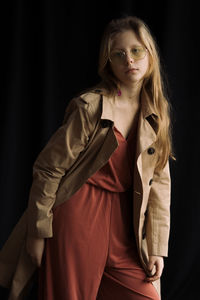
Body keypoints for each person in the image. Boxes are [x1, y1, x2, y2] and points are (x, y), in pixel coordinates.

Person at [0, 15, 174, 300]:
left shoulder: (156, 113)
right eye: (119, 54)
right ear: (109, 64)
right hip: (77, 213)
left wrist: (156, 247)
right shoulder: (91, 107)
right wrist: (38, 231)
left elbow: (160, 185)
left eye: (136, 50)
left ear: (150, 55)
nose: (129, 60)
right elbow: (48, 169)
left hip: (124, 223)